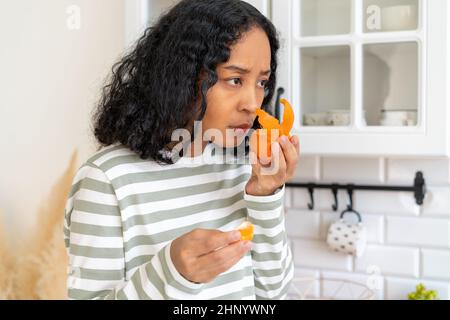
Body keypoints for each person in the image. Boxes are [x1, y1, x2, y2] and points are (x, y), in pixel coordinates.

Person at [64, 0, 299, 300]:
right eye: (235, 79)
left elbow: (273, 293)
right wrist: (170, 272)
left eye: (261, 82)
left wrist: (265, 195)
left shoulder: (243, 167)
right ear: (184, 76)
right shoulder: (107, 180)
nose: (253, 103)